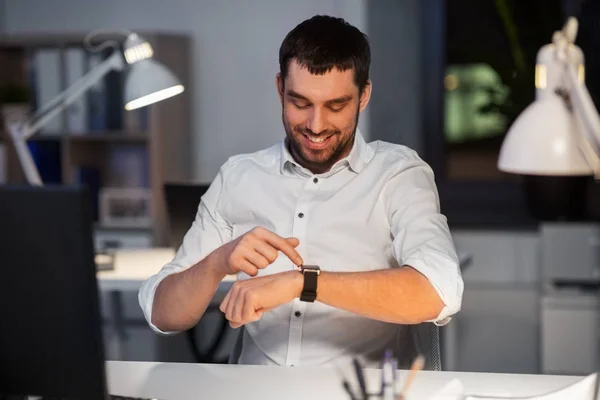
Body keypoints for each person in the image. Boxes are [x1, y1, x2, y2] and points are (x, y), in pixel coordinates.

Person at [139, 15, 463, 368]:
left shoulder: (398, 174)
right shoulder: (239, 177)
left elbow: (440, 289)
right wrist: (218, 262)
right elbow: (163, 314)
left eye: (336, 106)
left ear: (363, 95)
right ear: (280, 88)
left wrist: (303, 283)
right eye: (300, 103)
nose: (316, 124)